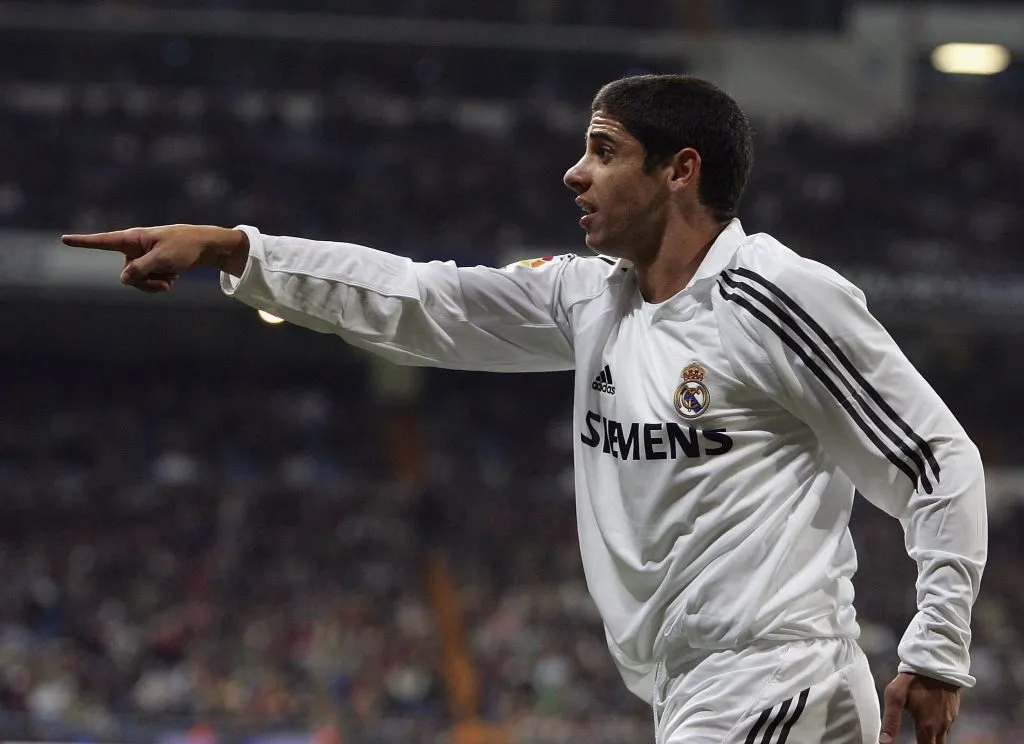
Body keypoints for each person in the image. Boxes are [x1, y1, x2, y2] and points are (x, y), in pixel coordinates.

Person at [63, 74, 986, 744]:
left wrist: (938, 646)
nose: (573, 174)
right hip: (686, 694)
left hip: (777, 683)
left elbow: (938, 460)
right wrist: (236, 249)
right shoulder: (592, 297)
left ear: (680, 170)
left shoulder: (779, 296)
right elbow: (422, 299)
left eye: (602, 149)